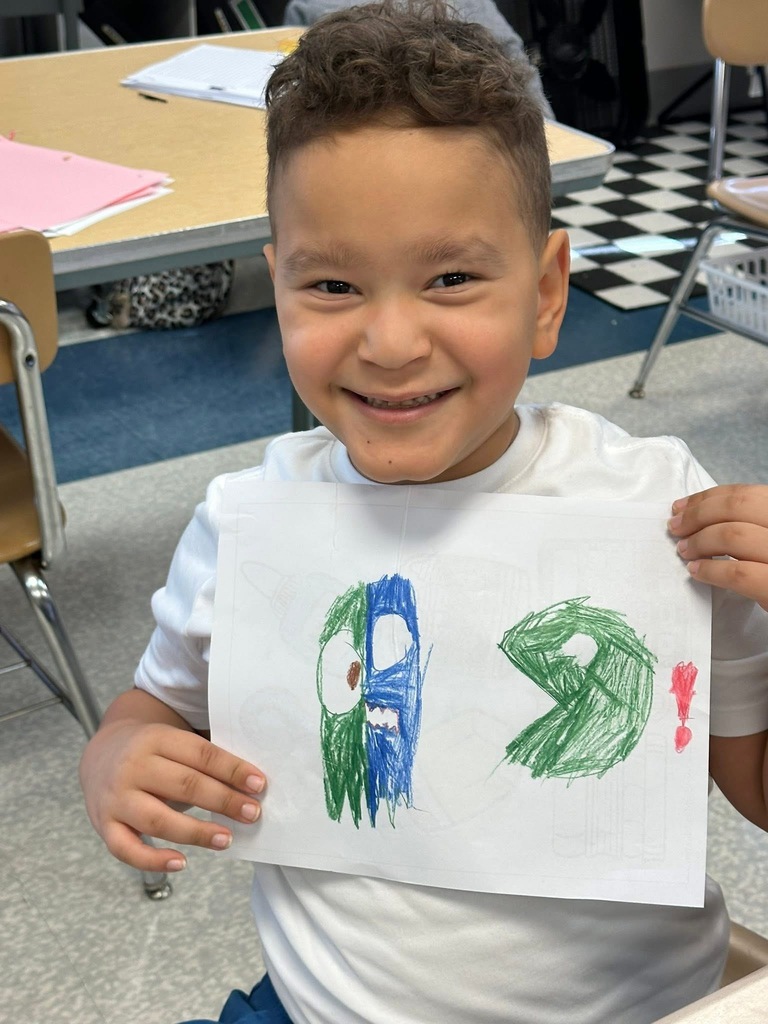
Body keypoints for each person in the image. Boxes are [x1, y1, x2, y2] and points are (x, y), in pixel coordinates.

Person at [78, 3, 768, 1022]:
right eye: (333, 283)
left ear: (544, 294)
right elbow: (154, 708)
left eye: (451, 277)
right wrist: (115, 758)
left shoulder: (656, 506)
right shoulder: (251, 519)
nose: (392, 339)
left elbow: (752, 786)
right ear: (279, 288)